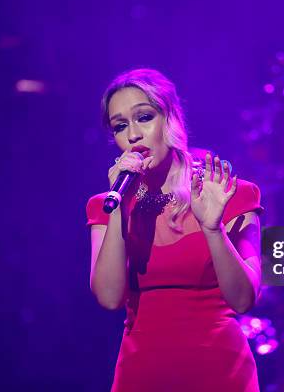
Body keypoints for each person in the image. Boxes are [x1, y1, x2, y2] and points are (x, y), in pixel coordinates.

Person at [86, 68, 263, 391]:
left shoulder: (231, 194)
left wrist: (212, 229)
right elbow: (110, 298)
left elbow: (243, 300)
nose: (133, 135)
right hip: (142, 372)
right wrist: (117, 209)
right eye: (120, 126)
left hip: (218, 370)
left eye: (144, 117)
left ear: (172, 119)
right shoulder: (106, 205)